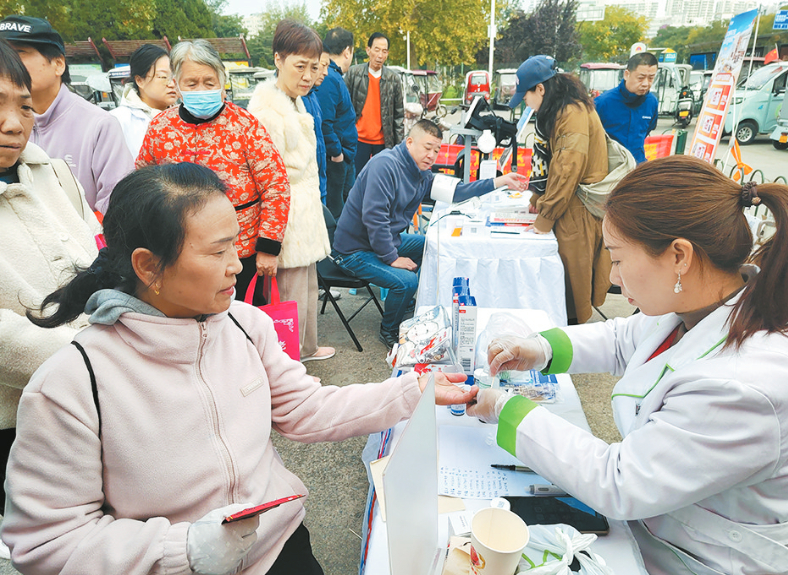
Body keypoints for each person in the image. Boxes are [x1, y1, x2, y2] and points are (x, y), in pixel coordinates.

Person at [1, 162, 477, 575]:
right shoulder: (72, 382)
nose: (237, 265)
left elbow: (303, 407)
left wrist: (414, 392)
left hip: (280, 547)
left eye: (237, 245)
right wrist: (183, 549)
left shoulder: (245, 325)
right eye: (216, 251)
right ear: (148, 267)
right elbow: (48, 541)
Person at [469, 155, 788, 575]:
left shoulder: (746, 386)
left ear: (680, 256)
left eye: (619, 259)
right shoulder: (705, 302)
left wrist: (505, 408)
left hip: (700, 560)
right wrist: (538, 348)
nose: (615, 278)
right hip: (660, 527)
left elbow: (619, 481)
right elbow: (623, 338)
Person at [0, 39, 100, 552]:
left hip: (97, 399)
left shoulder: (55, 174)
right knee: (52, 545)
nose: (14, 123)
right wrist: (89, 360)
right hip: (19, 419)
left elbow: (101, 262)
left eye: (23, 104)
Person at [332, 119, 529, 348]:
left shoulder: (421, 174)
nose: (432, 155)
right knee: (406, 281)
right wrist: (392, 258)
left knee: (432, 245)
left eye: (436, 150)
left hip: (381, 242)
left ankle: (406, 304)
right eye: (427, 148)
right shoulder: (385, 165)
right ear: (409, 142)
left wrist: (500, 181)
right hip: (353, 251)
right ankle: (390, 330)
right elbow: (374, 218)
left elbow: (457, 191)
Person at [136, 39, 290, 305]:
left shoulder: (245, 125)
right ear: (176, 84)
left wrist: (268, 247)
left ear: (222, 81)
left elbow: (276, 185)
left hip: (240, 254)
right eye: (192, 83)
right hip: (178, 253)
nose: (201, 89)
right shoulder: (160, 128)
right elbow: (142, 184)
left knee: (239, 324)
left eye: (209, 82)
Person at [248, 21, 335, 362]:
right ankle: (289, 363)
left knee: (306, 287)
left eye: (314, 68)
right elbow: (267, 179)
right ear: (278, 60)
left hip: (303, 211)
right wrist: (270, 239)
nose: (308, 76)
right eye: (300, 66)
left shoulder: (294, 101)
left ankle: (306, 348)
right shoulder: (268, 111)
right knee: (288, 294)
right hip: (286, 217)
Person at [508, 55, 611, 324]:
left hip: (578, 207)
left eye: (526, 96)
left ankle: (568, 336)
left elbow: (567, 169)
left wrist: (545, 217)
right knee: (567, 274)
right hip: (570, 202)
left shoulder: (571, 113)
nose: (526, 104)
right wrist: (538, 197)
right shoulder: (563, 108)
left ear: (540, 89)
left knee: (571, 277)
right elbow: (554, 163)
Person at [0, 15, 134, 214]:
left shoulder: (99, 125)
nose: (9, 64)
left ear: (58, 64)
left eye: (19, 53)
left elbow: (119, 209)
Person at [344, 32, 404, 174]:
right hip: (358, 140)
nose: (380, 55)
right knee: (356, 183)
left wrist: (399, 148)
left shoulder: (393, 79)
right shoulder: (354, 74)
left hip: (383, 143)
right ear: (368, 50)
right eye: (376, 50)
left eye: (384, 51)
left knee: (379, 183)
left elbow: (399, 116)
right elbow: (344, 108)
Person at [317, 27, 358, 219]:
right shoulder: (330, 79)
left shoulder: (333, 77)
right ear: (347, 51)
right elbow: (325, 122)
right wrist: (337, 154)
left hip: (343, 155)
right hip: (338, 159)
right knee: (339, 214)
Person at [110, 44, 178, 157]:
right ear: (139, 80)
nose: (171, 84)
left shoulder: (186, 117)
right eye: (163, 77)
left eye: (174, 77)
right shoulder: (117, 121)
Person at [595, 52, 659, 164]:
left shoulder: (652, 102)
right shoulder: (602, 103)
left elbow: (648, 129)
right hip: (609, 169)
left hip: (637, 166)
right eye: (641, 77)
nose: (645, 83)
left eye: (651, 78)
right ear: (626, 74)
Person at [302, 45, 329, 205]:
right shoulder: (296, 100)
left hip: (320, 184)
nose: (325, 72)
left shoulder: (313, 96)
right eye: (322, 66)